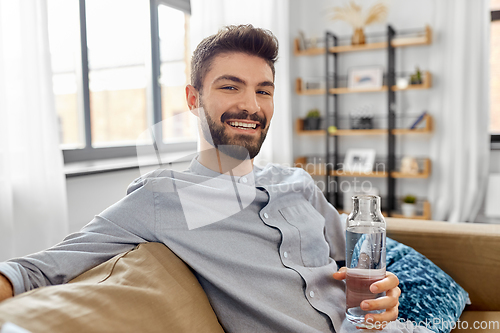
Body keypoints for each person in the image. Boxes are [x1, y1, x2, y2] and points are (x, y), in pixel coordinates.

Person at [0, 24, 400, 332]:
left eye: (264, 91)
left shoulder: (297, 182)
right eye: (231, 87)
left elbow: (356, 258)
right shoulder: (162, 200)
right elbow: (36, 269)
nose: (251, 105)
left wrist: (386, 293)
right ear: (194, 99)